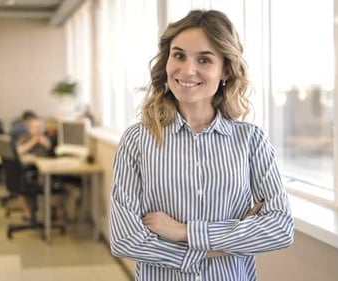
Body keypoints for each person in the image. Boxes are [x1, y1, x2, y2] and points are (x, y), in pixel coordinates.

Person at [109, 10, 294, 280]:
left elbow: (280, 229)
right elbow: (124, 239)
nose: (187, 70)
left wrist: (184, 232)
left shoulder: (251, 141)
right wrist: (224, 244)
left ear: (226, 71)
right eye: (179, 55)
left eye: (204, 59)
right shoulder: (137, 141)